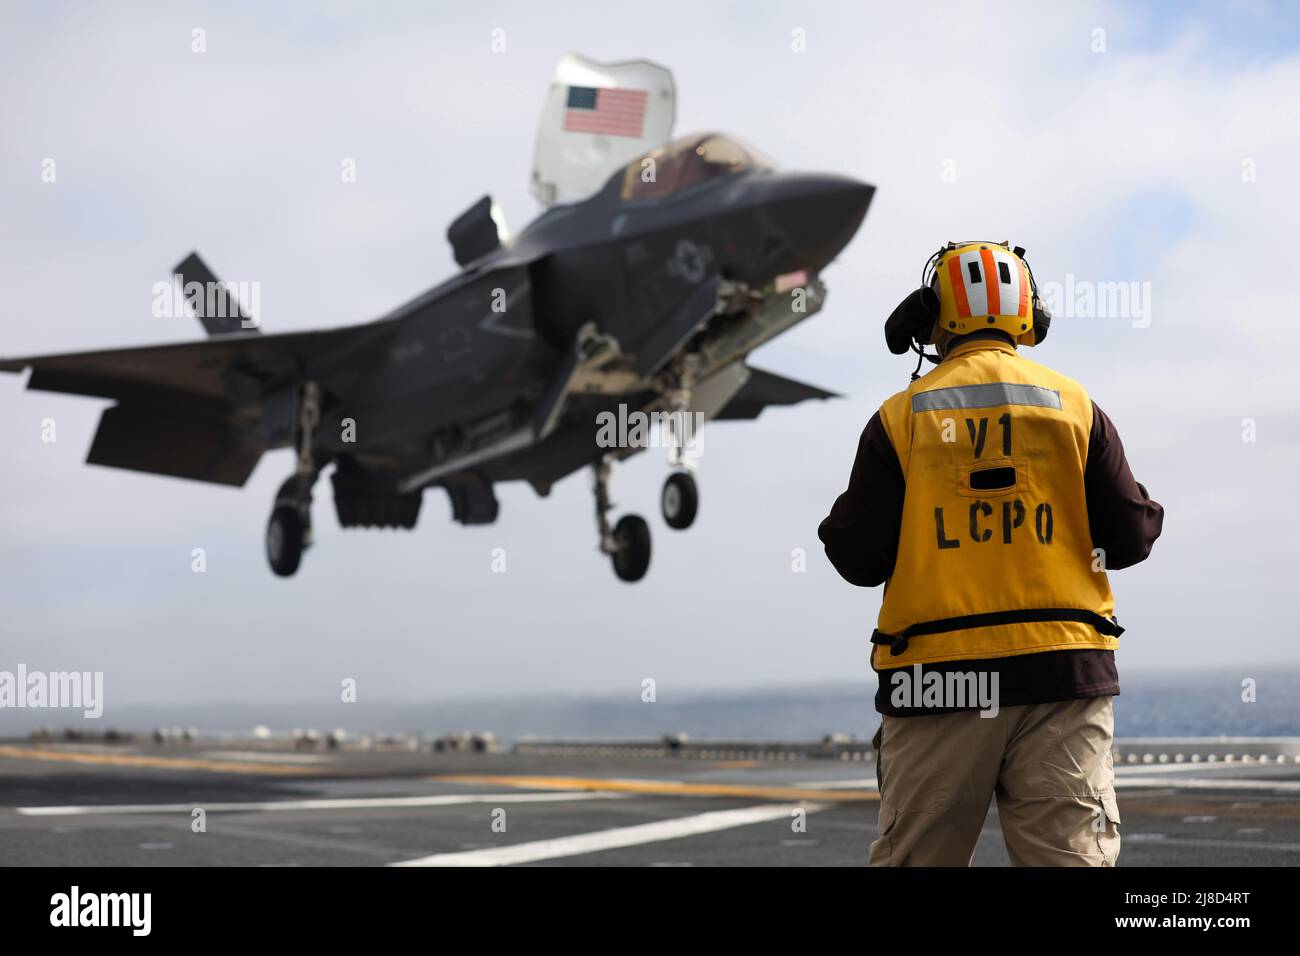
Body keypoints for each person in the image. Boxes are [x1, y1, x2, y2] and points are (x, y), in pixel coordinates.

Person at [818, 241, 1163, 866]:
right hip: (1063, 676)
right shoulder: (1076, 408)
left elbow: (855, 557)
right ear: (1029, 315)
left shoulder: (902, 418)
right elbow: (1132, 539)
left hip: (936, 684)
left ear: (935, 317)